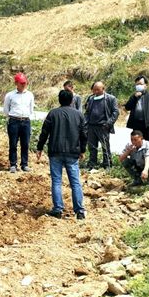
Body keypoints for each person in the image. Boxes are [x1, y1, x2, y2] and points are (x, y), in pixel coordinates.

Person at [37, 90, 88, 220]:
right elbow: (84, 134)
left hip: (55, 151)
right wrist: (82, 150)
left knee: (56, 181)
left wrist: (39, 147)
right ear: (72, 100)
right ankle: (79, 211)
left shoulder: (53, 113)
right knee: (75, 182)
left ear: (59, 100)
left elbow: (44, 132)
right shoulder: (78, 115)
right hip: (72, 152)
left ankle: (58, 209)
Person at [3, 72, 35, 173]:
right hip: (14, 121)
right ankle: (13, 164)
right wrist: (13, 117)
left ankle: (24, 164)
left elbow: (31, 109)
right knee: (13, 143)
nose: (23, 85)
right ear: (16, 83)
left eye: (24, 83)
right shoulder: (10, 95)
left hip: (25, 121)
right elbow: (6, 110)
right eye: (21, 83)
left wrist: (25, 116)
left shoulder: (30, 95)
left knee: (25, 144)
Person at [84, 81, 119, 169]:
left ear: (103, 89)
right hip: (92, 126)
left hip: (103, 127)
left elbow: (116, 112)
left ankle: (107, 165)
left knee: (105, 147)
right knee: (92, 147)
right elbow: (87, 112)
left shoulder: (111, 98)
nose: (96, 92)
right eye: (94, 90)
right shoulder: (91, 98)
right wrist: (86, 122)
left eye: (98, 90)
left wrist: (108, 123)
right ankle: (92, 163)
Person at [124, 75, 149, 147]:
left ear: (145, 85)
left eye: (140, 84)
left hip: (148, 124)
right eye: (137, 84)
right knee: (137, 143)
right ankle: (139, 158)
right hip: (136, 124)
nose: (138, 86)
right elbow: (127, 107)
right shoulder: (133, 96)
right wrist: (134, 97)